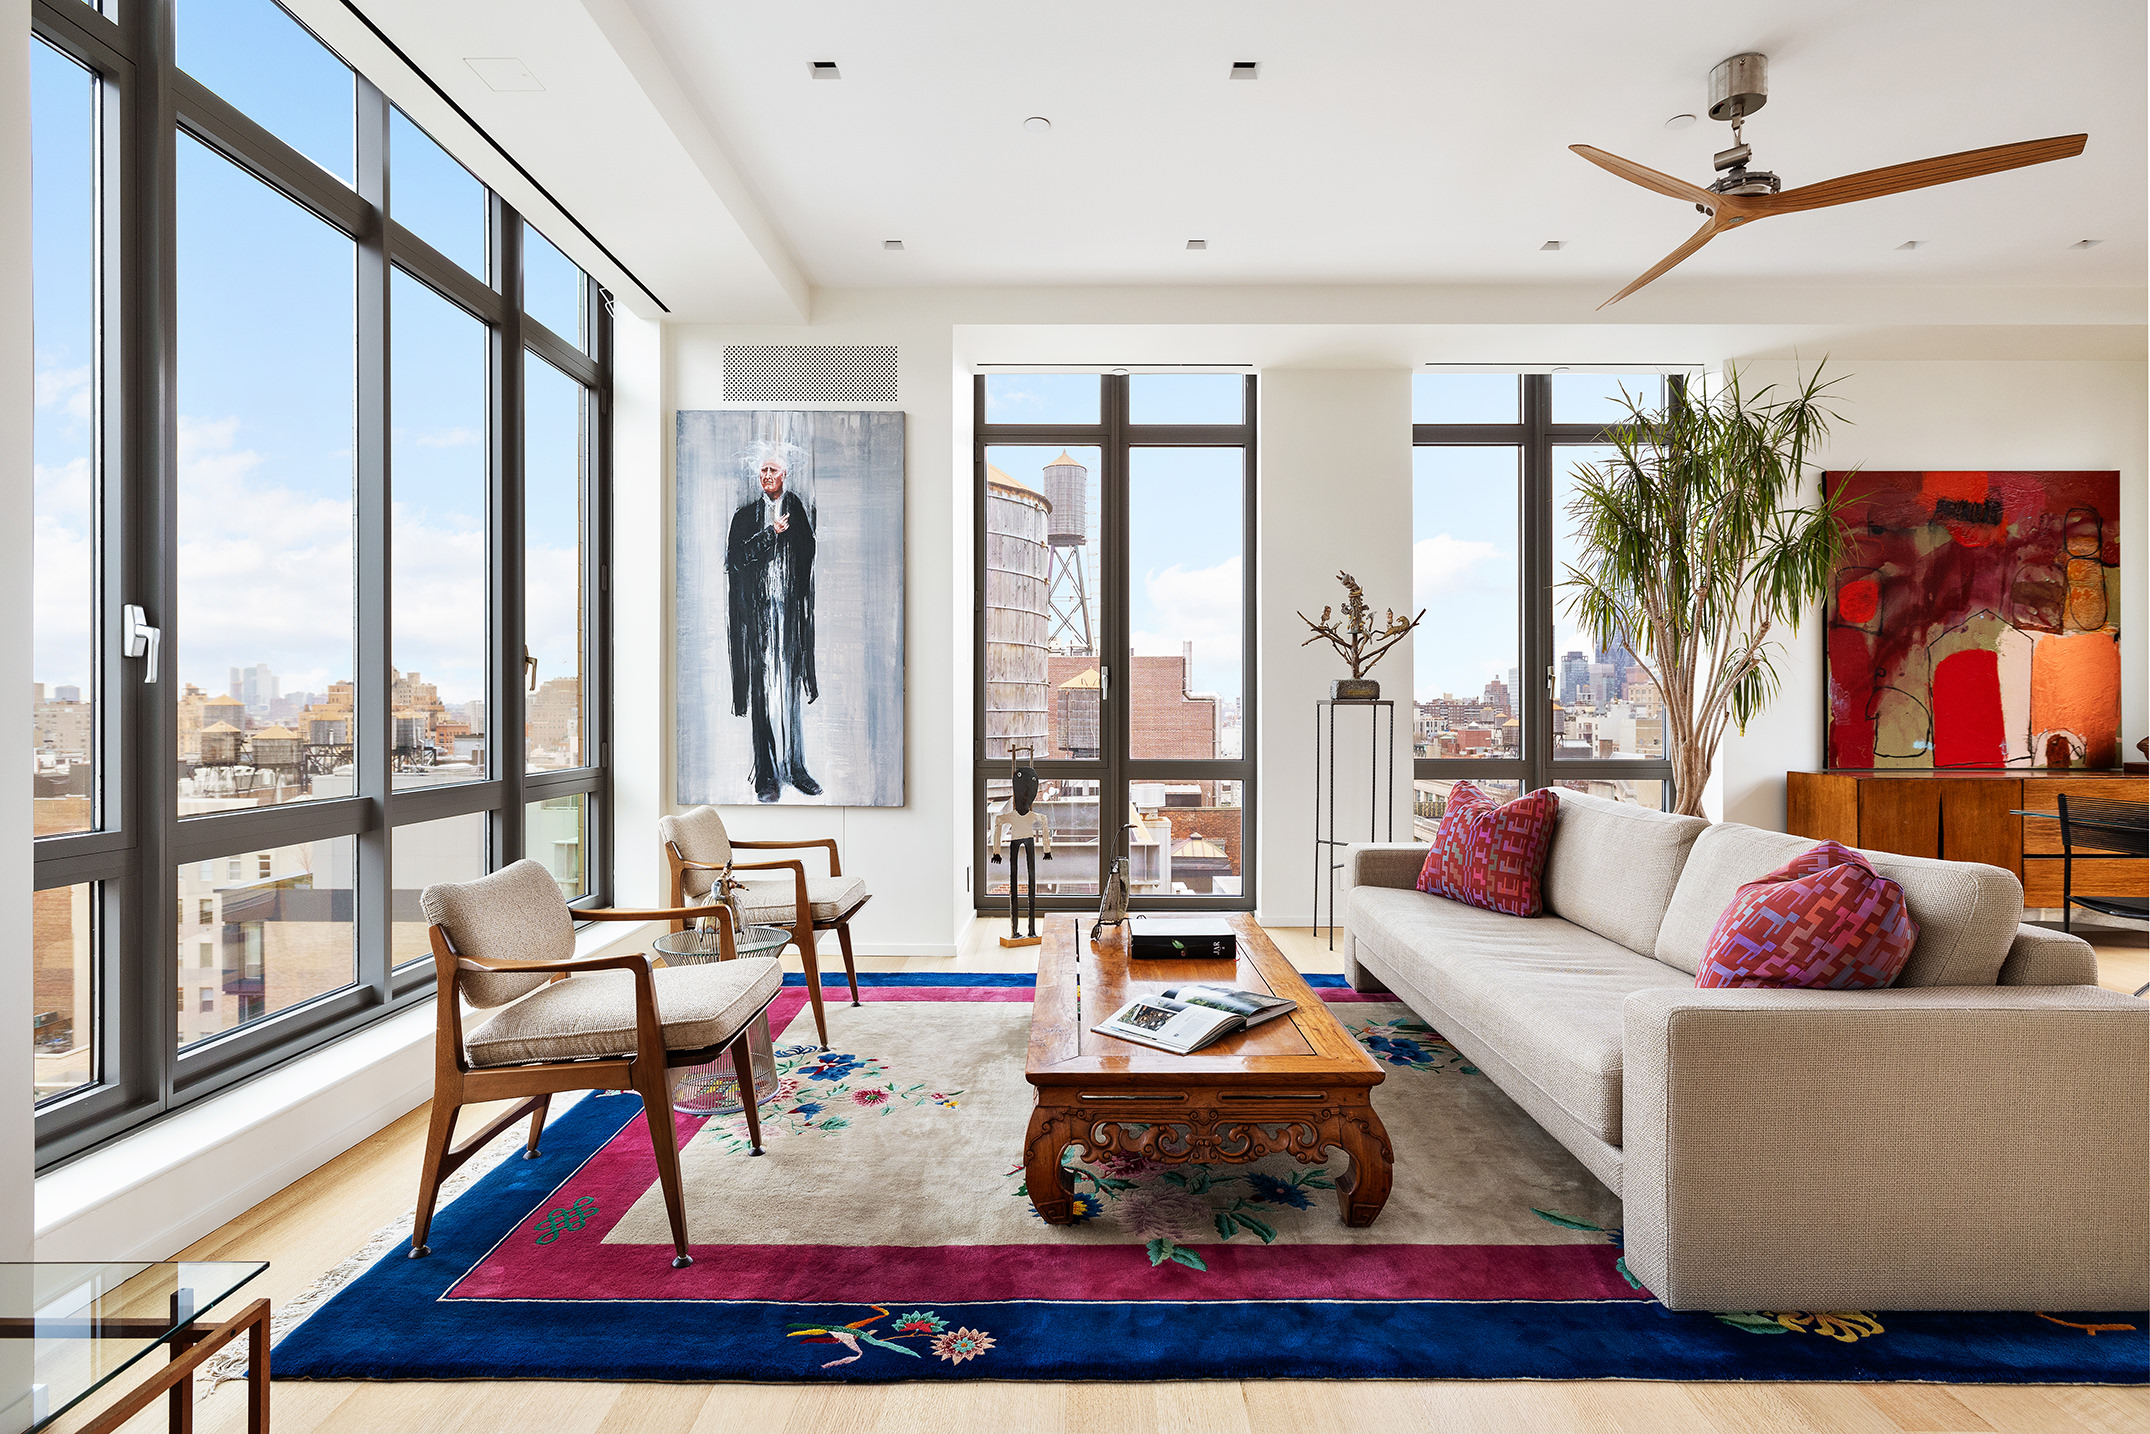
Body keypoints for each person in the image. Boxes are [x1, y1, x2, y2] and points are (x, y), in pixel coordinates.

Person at [725, 443, 820, 801]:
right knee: (762, 693)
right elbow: (734, 560)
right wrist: (770, 535)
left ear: (785, 475)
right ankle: (766, 774)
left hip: (789, 615)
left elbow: (808, 553)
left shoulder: (796, 508)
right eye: (763, 470)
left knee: (790, 690)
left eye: (774, 471)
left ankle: (796, 769)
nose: (767, 476)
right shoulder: (745, 515)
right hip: (757, 616)